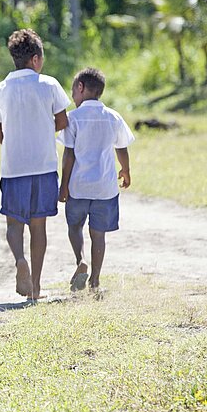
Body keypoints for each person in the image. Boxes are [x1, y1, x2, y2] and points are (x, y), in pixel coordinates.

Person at [0, 29, 71, 301]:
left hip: (14, 168)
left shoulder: (0, 90)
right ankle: (35, 287)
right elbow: (62, 122)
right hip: (44, 166)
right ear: (36, 59)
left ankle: (19, 260)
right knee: (39, 227)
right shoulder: (49, 85)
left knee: (14, 224)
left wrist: (15, 144)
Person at [58, 68, 134, 294]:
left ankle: (81, 260)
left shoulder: (73, 118)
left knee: (74, 227)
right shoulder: (113, 116)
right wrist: (126, 170)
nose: (72, 96)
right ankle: (95, 281)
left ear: (80, 87)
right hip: (105, 188)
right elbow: (122, 147)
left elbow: (68, 155)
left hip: (78, 187)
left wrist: (64, 186)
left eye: (73, 90)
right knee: (98, 234)